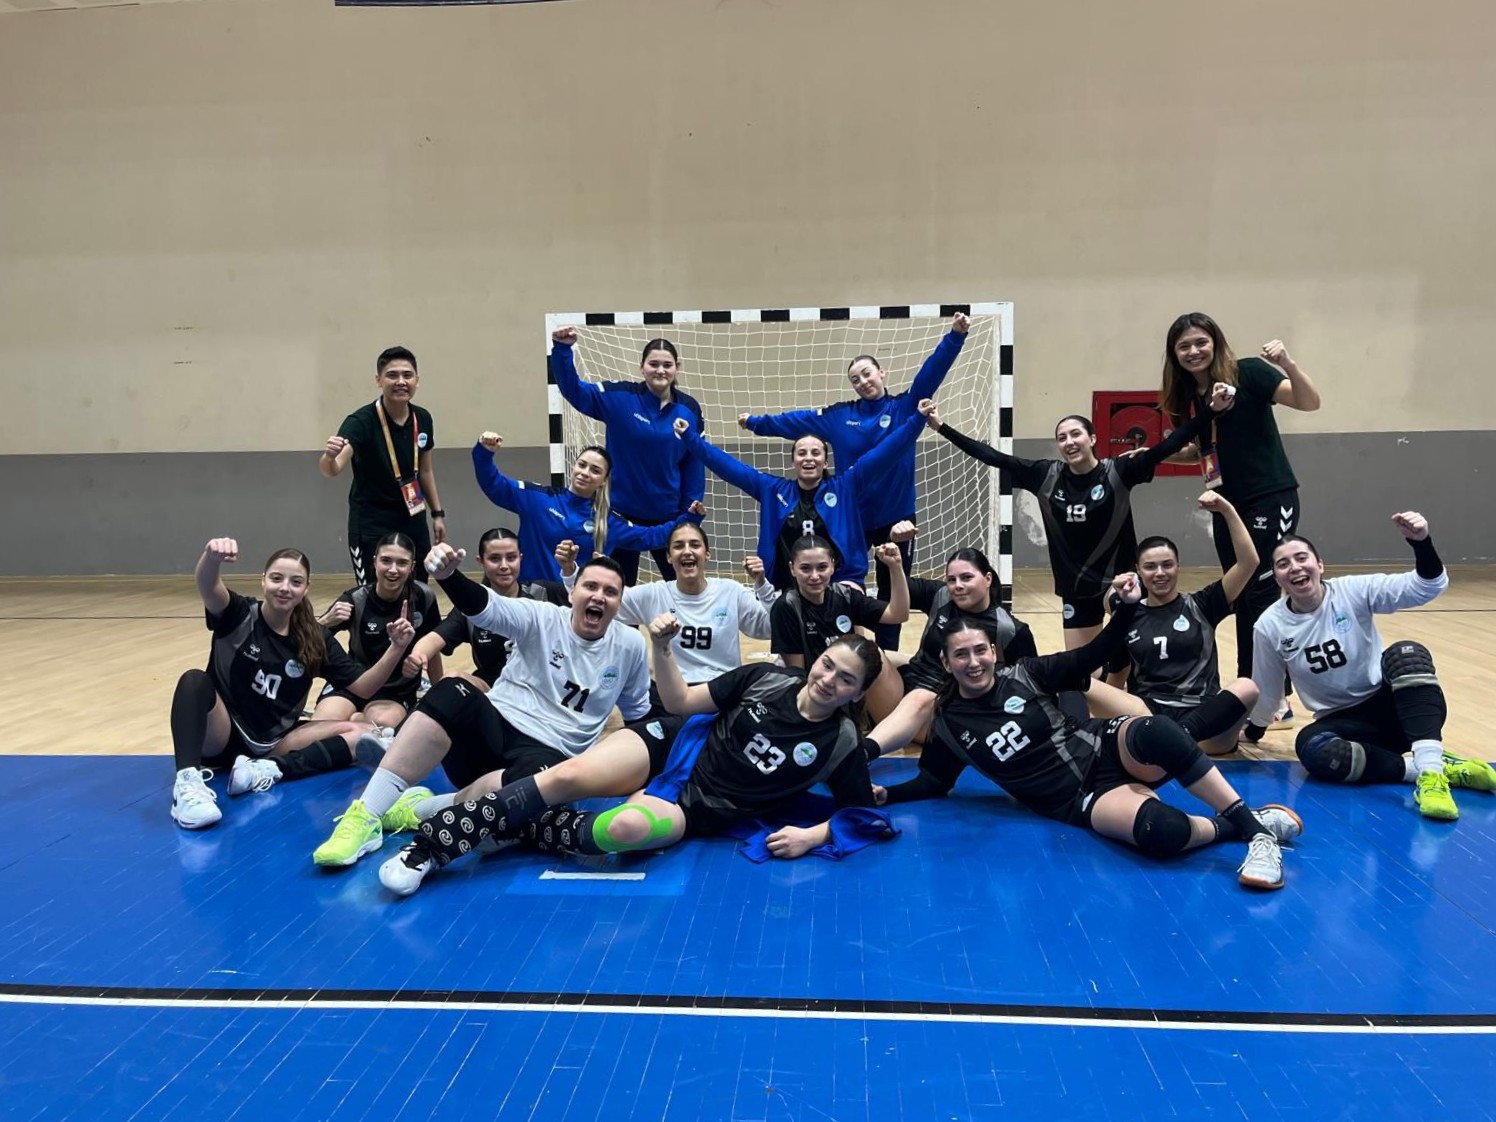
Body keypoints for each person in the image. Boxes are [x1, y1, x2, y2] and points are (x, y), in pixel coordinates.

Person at [377, 625, 889, 897]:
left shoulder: (841, 741)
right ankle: (432, 847)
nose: (828, 680)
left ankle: (498, 819)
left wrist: (812, 836)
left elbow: (861, 814)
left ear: (858, 693)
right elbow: (682, 702)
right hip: (673, 747)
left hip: (698, 806)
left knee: (623, 830)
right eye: (827, 665)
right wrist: (661, 648)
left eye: (845, 679)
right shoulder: (766, 678)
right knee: (569, 773)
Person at [867, 576, 1303, 890]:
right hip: (1080, 799)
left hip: (1104, 747)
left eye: (980, 650)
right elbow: (934, 781)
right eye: (961, 655)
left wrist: (1127, 608)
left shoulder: (1026, 674)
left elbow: (1095, 652)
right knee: (1163, 833)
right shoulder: (948, 722)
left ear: (994, 651)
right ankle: (1237, 825)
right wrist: (889, 795)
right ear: (946, 663)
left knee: (1159, 731)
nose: (973, 661)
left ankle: (1257, 835)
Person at [310, 550, 650, 867]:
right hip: (494, 728)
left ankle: (419, 809)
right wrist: (449, 576)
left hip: (549, 757)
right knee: (452, 689)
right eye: (590, 586)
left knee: (518, 805)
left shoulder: (630, 645)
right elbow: (485, 606)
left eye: (610, 592)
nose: (599, 596)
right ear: (573, 592)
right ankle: (366, 816)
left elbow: (638, 715)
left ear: (619, 603)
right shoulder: (542, 615)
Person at [920, 387, 1232, 650]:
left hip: (1117, 582)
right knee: (1084, 673)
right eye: (1062, 437)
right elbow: (992, 456)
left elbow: (1168, 446)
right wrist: (941, 427)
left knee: (1126, 647)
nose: (1069, 442)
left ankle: (1128, 683)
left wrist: (1210, 411)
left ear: (1092, 438)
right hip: (1075, 588)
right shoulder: (1045, 475)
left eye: (1075, 434)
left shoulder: (1119, 471)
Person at [738, 313, 971, 649]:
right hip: (851, 520)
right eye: (855, 379)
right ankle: (842, 648)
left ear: (881, 373)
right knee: (843, 590)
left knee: (890, 593)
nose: (862, 381)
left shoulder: (904, 407)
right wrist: (756, 423)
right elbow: (796, 422)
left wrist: (955, 336)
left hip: (896, 520)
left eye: (867, 373)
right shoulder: (840, 416)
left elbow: (932, 372)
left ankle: (886, 657)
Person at [1242, 513, 1496, 820]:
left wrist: (1421, 542)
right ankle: (1424, 767)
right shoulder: (1270, 625)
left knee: (1407, 653)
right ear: (1277, 577)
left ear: (1319, 565)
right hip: (1346, 728)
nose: (1294, 567)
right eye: (1283, 564)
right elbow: (1268, 690)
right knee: (1311, 748)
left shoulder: (1352, 590)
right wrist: (1254, 730)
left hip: (1401, 713)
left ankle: (1432, 776)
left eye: (1301, 558)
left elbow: (1427, 586)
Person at [168, 538, 415, 829]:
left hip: (275, 743)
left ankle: (267, 769)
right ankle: (187, 784)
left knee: (362, 734)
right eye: (277, 578)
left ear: (306, 588)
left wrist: (397, 648)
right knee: (194, 681)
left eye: (295, 582)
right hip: (223, 735)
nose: (285, 587)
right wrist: (212, 558)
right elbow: (208, 586)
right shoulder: (239, 614)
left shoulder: (315, 638)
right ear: (263, 580)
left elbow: (364, 687)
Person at [1158, 314, 1322, 720]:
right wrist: (1150, 457)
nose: (1194, 351)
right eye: (1184, 346)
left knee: (1261, 593)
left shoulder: (1248, 372)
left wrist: (1287, 363)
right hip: (1225, 504)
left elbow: (1308, 402)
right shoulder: (1187, 397)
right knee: (1240, 593)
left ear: (1215, 342)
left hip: (1269, 497)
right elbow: (1201, 451)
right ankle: (1251, 688)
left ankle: (1271, 696)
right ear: (1174, 354)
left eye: (1201, 342)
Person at [673, 410, 923, 592]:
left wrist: (917, 419)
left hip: (840, 585)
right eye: (801, 453)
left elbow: (886, 452)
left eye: (816, 453)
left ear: (825, 461)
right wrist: (689, 437)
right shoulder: (772, 490)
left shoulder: (845, 486)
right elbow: (728, 466)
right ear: (793, 462)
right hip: (787, 589)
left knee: (849, 640)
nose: (808, 458)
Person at [1103, 491, 1260, 755]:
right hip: (1149, 714)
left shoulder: (1203, 604)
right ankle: (1171, 740)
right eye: (1150, 567)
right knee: (1085, 683)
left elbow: (1249, 562)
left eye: (1167, 565)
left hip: (1203, 720)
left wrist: (1227, 510)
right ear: (1138, 571)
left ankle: (1178, 736)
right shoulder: (1129, 614)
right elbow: (1116, 676)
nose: (1160, 573)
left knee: (1247, 687)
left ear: (1179, 566)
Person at [550, 328, 706, 584]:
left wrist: (689, 512)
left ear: (677, 368)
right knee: (616, 590)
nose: (660, 370)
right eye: (653, 364)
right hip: (618, 517)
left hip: (669, 518)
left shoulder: (689, 409)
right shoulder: (619, 398)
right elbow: (574, 391)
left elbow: (694, 462)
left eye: (667, 365)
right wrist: (562, 349)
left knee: (684, 588)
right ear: (642, 367)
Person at [571, 523, 777, 709]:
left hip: (720, 692)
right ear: (669, 557)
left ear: (707, 554)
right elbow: (593, 603)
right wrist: (574, 571)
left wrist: (762, 585)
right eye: (678, 546)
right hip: (671, 694)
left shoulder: (730, 591)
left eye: (695, 545)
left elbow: (770, 628)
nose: (687, 551)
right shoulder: (654, 594)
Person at [471, 432, 697, 583]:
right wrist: (484, 453)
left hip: (571, 608)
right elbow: (495, 485)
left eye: (595, 470)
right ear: (574, 466)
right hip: (528, 601)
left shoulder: (608, 522)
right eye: (582, 465)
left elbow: (650, 537)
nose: (585, 473)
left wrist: (689, 519)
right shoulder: (538, 499)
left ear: (604, 481)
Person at [319, 346, 446, 586]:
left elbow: (425, 470)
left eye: (407, 375)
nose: (401, 381)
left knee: (417, 587)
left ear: (417, 380)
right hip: (372, 521)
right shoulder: (361, 422)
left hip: (413, 515)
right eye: (392, 375)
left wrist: (437, 514)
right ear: (379, 380)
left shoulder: (423, 418)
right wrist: (328, 456)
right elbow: (332, 469)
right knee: (373, 591)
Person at [408, 528, 568, 691]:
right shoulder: (471, 608)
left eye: (511, 558)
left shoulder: (544, 593)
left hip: (544, 690)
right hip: (493, 690)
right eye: (494, 559)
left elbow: (580, 602)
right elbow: (434, 638)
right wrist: (417, 656)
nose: (504, 566)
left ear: (520, 558)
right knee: (452, 679)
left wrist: (570, 569)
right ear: (481, 561)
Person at [311, 532, 440, 730]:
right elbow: (308, 639)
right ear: (374, 562)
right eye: (386, 561)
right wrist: (325, 621)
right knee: (322, 724)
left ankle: (352, 723)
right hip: (353, 681)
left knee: (381, 725)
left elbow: (434, 645)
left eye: (402, 563)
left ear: (412, 567)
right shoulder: (355, 599)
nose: (393, 570)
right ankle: (353, 723)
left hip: (394, 688)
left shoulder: (424, 597)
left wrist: (439, 692)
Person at [771, 534, 908, 719]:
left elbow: (898, 614)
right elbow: (798, 677)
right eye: (805, 568)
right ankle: (878, 723)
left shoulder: (844, 595)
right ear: (792, 569)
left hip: (847, 677)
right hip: (821, 687)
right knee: (874, 657)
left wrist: (896, 567)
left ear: (832, 566)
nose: (814, 576)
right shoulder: (787, 607)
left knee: (902, 660)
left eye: (822, 567)